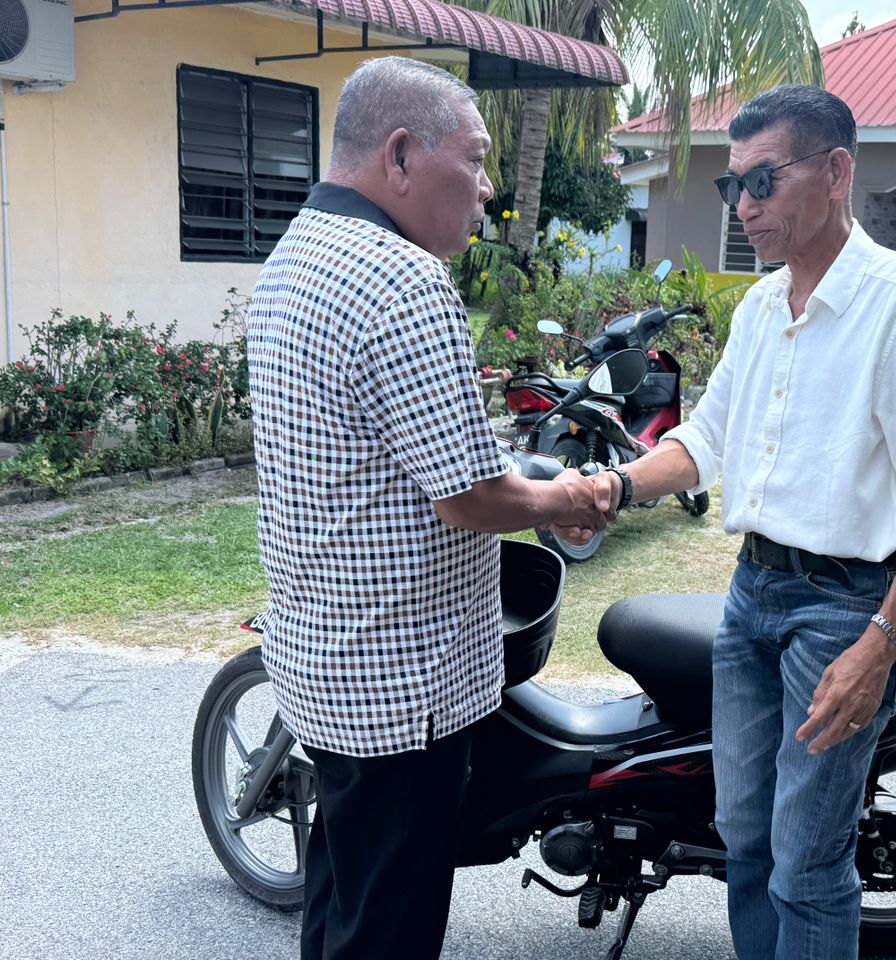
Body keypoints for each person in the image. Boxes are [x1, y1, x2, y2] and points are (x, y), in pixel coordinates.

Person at [573, 85, 896, 959]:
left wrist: (880, 644)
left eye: (764, 181)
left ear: (836, 172)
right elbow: (703, 444)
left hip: (845, 611)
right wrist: (609, 487)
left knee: (806, 860)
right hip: (751, 596)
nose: (745, 205)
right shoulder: (762, 309)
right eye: (734, 186)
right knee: (746, 839)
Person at [247, 57, 604, 960]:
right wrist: (568, 494)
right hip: (401, 685)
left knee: (343, 898)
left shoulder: (295, 255)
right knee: (389, 932)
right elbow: (472, 497)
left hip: (326, 660)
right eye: (475, 160)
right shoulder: (404, 280)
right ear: (401, 155)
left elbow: (397, 453)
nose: (487, 190)